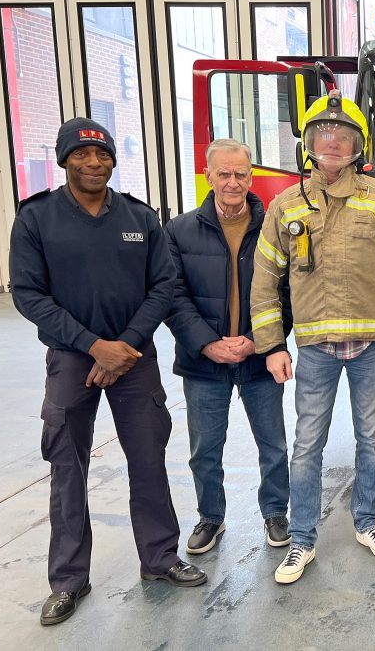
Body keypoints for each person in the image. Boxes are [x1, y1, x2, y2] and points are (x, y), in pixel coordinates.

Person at [9, 118, 207, 626]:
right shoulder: (37, 219)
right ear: (64, 159)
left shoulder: (140, 218)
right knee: (67, 467)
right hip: (72, 358)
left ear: (113, 161)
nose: (93, 163)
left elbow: (163, 284)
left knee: (148, 457)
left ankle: (159, 558)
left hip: (134, 357)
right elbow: (29, 294)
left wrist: (124, 346)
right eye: (82, 155)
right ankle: (69, 579)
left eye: (102, 156)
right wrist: (94, 345)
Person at [250, 90, 375, 584]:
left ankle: (366, 522)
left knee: (371, 439)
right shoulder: (286, 205)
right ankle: (302, 539)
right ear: (308, 144)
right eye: (322, 134)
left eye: (342, 135)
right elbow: (264, 280)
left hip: (373, 346)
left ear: (358, 146)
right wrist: (270, 346)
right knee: (307, 444)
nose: (332, 143)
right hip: (314, 349)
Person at [164, 138, 291, 555]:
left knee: (272, 444)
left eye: (241, 173)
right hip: (205, 362)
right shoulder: (179, 231)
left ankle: (275, 512)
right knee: (205, 449)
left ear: (251, 176)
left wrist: (261, 340)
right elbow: (172, 295)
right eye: (225, 174)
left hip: (259, 358)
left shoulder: (275, 226)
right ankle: (211, 518)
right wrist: (206, 343)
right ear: (208, 176)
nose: (233, 182)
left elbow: (290, 293)